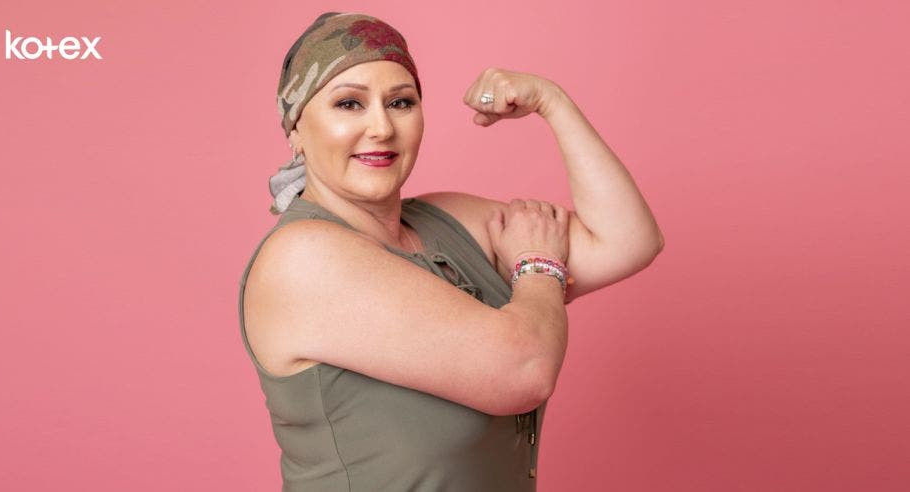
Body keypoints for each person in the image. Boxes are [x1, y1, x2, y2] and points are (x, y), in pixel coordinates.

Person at [238, 11, 664, 491]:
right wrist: (536, 265)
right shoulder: (303, 259)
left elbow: (628, 241)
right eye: (349, 105)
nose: (381, 128)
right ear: (296, 130)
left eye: (400, 102)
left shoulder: (449, 221)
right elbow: (522, 369)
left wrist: (553, 102)